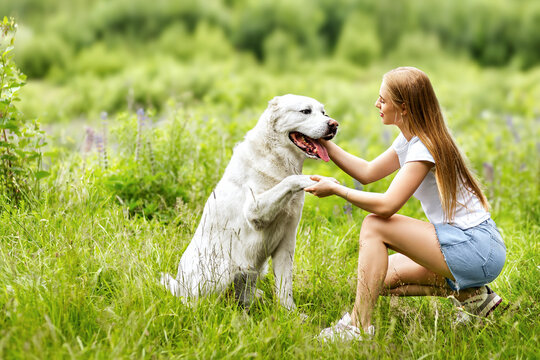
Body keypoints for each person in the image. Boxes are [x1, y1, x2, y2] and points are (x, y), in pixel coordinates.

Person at [304, 67, 506, 342]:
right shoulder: (412, 138)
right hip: (469, 245)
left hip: (475, 247)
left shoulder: (425, 146)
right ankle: (472, 295)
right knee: (378, 280)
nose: (377, 104)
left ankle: (357, 327)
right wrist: (321, 141)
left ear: (404, 108)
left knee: (375, 225)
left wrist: (338, 190)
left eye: (383, 100)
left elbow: (388, 205)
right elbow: (367, 172)